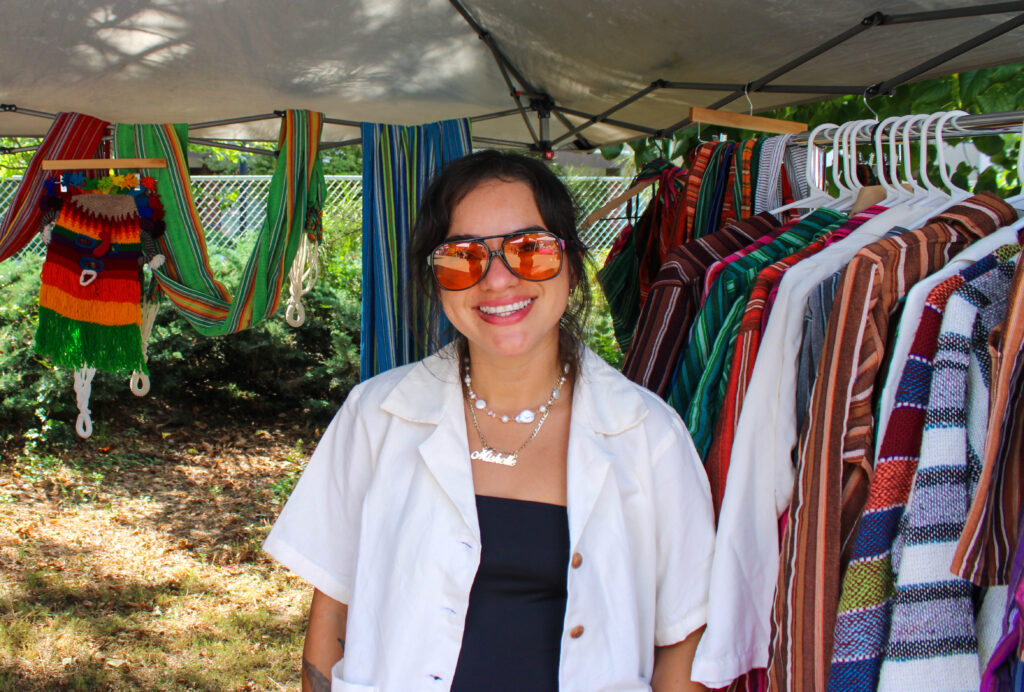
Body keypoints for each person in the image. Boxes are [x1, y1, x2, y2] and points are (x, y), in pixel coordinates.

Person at [264, 150, 715, 691]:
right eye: (463, 256)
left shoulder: (649, 436)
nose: (498, 280)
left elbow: (684, 639)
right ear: (436, 281)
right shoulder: (375, 416)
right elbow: (332, 611)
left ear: (571, 266)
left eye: (530, 250)